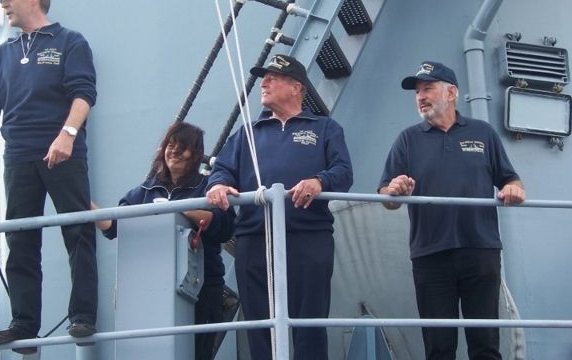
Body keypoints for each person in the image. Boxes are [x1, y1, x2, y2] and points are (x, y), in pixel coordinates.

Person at [0, 0, 98, 354]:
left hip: (62, 153)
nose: (4, 4)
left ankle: (83, 316)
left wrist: (67, 134)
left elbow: (83, 94)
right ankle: (24, 325)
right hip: (20, 156)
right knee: (20, 239)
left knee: (77, 231)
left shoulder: (70, 42)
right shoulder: (2, 54)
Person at [207, 54, 353, 360]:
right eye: (264, 77)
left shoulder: (324, 129)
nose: (265, 82)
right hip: (255, 240)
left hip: (308, 237)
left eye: (273, 77)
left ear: (296, 87)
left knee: (308, 323)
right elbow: (222, 170)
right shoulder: (247, 133)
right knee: (260, 325)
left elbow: (343, 172)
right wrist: (218, 185)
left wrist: (319, 181)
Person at [378, 61, 525, 360]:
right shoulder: (407, 139)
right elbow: (386, 196)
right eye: (417, 91)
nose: (421, 96)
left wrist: (514, 189)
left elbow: (510, 178)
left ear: (452, 92)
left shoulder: (483, 134)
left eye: (428, 88)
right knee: (439, 346)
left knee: (485, 343)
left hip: (480, 250)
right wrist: (394, 191)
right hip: (430, 255)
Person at [92, 122, 235, 360]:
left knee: (198, 353)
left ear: (196, 154)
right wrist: (82, 202)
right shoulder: (146, 191)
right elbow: (115, 226)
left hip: (203, 286)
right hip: (153, 288)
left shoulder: (206, 188)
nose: (174, 152)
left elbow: (224, 225)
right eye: (171, 145)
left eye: (183, 147)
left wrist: (177, 211)